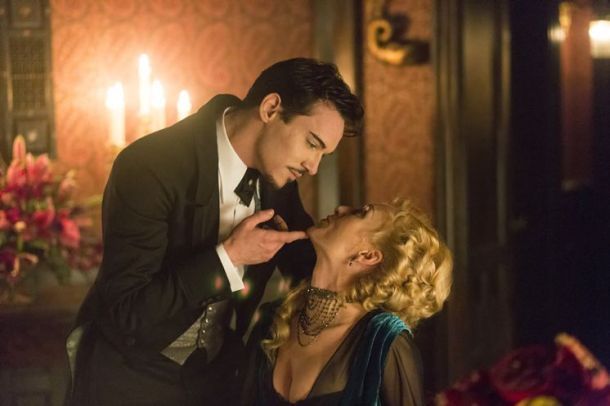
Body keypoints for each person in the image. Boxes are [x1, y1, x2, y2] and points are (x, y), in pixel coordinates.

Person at [65, 58, 363, 405]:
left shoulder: (279, 179)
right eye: (312, 144)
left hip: (217, 379)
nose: (313, 167)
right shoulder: (148, 166)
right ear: (271, 108)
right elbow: (125, 314)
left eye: (323, 154)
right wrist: (228, 257)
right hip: (127, 377)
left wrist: (378, 300)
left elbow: (308, 265)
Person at [241, 199, 453, 405]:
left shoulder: (383, 341)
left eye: (360, 213)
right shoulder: (274, 321)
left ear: (367, 256)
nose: (341, 208)